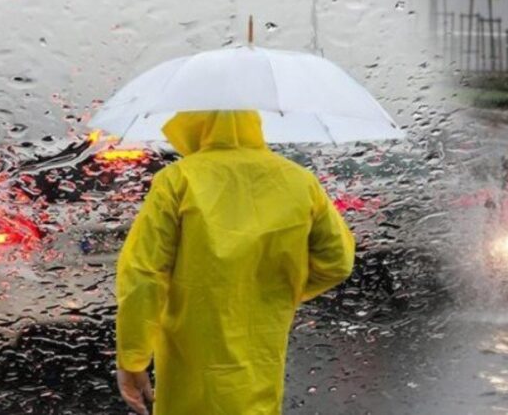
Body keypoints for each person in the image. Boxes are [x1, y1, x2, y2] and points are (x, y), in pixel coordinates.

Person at [114, 110, 355, 415]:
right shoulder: (300, 181)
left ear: (195, 122)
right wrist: (277, 292)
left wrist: (132, 359)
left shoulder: (178, 179)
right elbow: (338, 261)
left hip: (188, 361)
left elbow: (143, 273)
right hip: (262, 355)